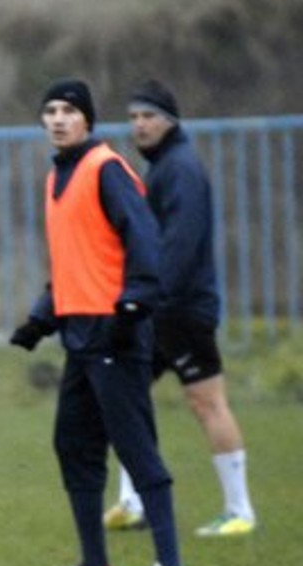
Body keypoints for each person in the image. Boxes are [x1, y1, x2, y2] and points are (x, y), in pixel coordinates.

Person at [8, 78, 195, 566]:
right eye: (50, 110)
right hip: (78, 333)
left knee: (137, 449)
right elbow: (74, 260)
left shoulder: (106, 168)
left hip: (116, 332)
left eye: (68, 110)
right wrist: (41, 318)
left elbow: (145, 238)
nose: (58, 119)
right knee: (74, 445)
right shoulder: (56, 178)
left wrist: (135, 301)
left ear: (87, 119)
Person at [103, 79, 258, 538]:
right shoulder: (166, 166)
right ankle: (133, 504)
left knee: (206, 401)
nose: (139, 125)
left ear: (170, 121)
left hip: (182, 310)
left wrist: (148, 295)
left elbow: (181, 245)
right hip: (163, 308)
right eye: (133, 117)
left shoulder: (181, 169)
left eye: (148, 116)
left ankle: (240, 510)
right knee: (124, 394)